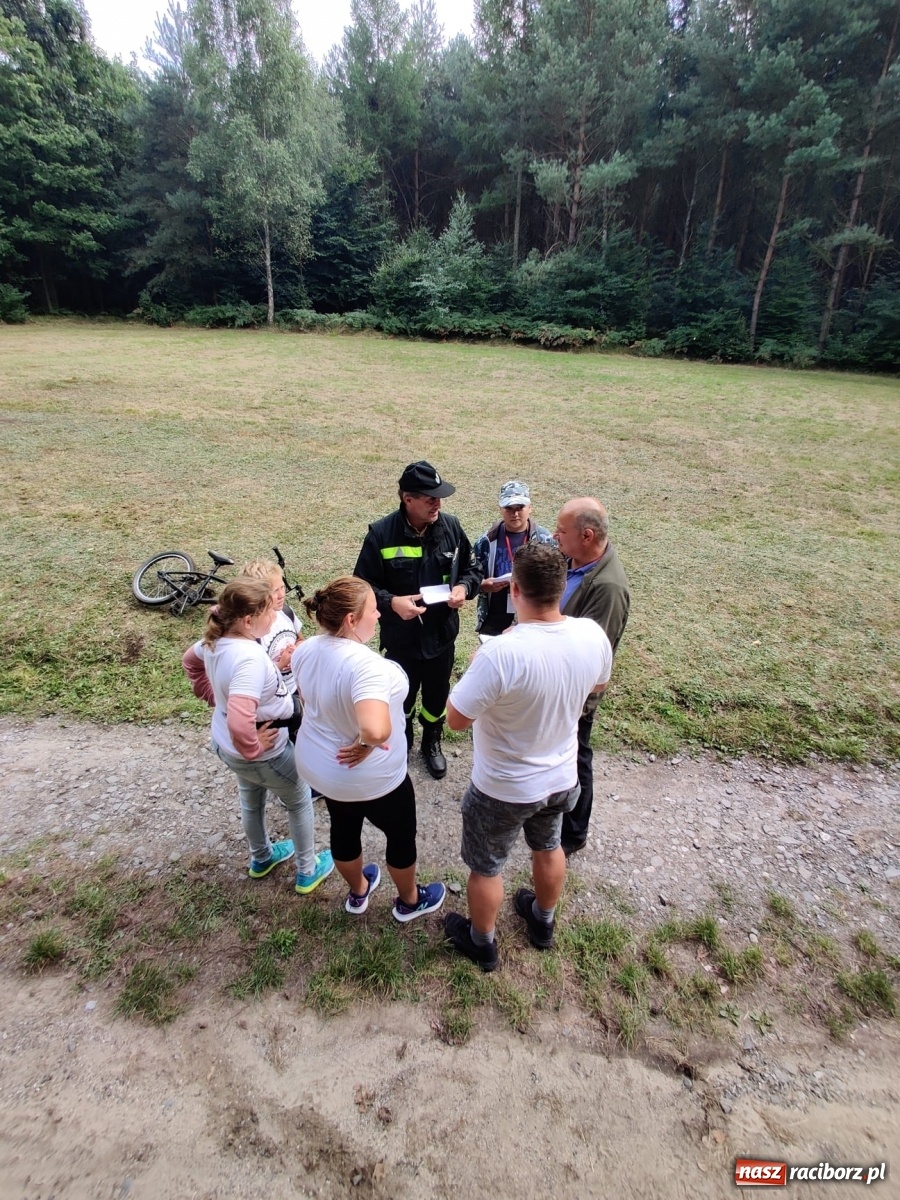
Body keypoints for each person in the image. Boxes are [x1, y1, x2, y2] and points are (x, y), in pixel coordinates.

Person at [443, 542, 613, 971]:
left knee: (486, 867)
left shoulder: (500, 653)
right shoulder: (592, 635)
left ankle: (482, 942)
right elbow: (597, 688)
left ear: (514, 590)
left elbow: (456, 720)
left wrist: (487, 661)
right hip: (560, 776)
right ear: (562, 587)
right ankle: (542, 921)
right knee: (550, 845)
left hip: (503, 786)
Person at [291, 575, 446, 922]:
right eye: (373, 611)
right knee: (401, 835)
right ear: (351, 619)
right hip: (372, 778)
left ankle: (359, 890)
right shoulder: (367, 667)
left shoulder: (305, 650)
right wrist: (364, 744)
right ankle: (409, 900)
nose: (378, 616)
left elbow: (311, 699)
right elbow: (376, 729)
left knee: (343, 828)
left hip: (322, 768)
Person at [181, 576, 333, 894]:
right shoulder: (248, 658)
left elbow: (189, 661)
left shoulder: (216, 640)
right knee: (299, 799)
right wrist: (253, 746)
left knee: (251, 800)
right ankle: (308, 869)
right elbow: (240, 720)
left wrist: (210, 694)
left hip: (226, 745)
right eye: (268, 613)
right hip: (261, 752)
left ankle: (261, 857)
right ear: (249, 620)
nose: (274, 617)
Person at [353, 460, 483, 780]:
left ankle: (431, 742)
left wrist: (464, 588)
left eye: (439, 497)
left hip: (441, 636)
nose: (438, 503)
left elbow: (473, 569)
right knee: (402, 696)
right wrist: (391, 602)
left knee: (437, 696)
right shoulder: (381, 534)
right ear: (407, 499)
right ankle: (404, 739)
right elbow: (362, 585)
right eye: (430, 498)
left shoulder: (451, 528)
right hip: (402, 639)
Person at [553, 497, 631, 856]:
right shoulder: (576, 562)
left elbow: (591, 657)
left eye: (562, 531)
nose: (555, 536)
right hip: (556, 685)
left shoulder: (608, 589)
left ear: (586, 535)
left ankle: (573, 833)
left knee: (577, 755)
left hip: (575, 697)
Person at [473, 480, 555, 637]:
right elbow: (470, 575)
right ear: (500, 509)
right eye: (508, 508)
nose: (515, 513)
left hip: (535, 617)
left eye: (520, 507)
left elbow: (558, 579)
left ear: (530, 508)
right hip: (494, 618)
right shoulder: (486, 541)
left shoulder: (545, 540)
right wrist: (483, 585)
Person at [241, 557, 304, 739]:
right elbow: (251, 681)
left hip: (295, 690)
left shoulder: (285, 612)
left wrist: (297, 648)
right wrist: (278, 665)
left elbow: (299, 637)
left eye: (282, 587)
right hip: (270, 705)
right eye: (274, 591)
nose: (281, 595)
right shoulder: (251, 631)